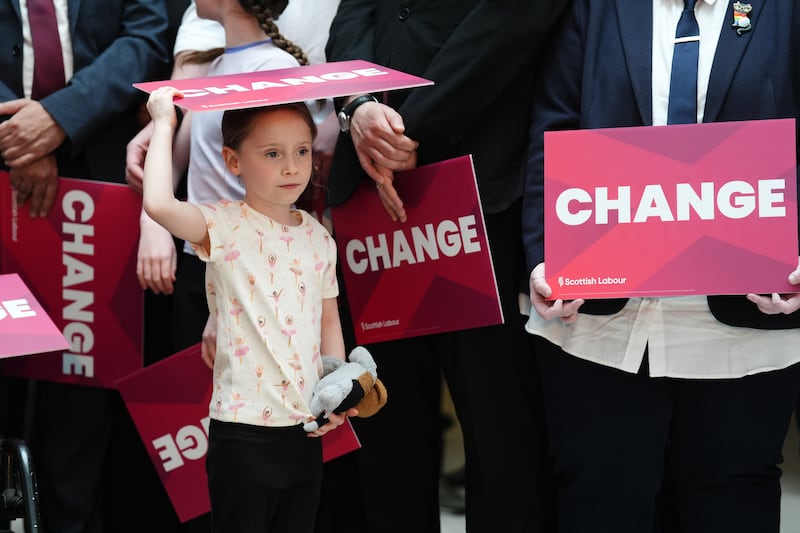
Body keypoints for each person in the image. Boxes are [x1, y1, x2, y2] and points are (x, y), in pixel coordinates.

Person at [522, 1, 800, 532]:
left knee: (732, 493)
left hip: (747, 312)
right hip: (605, 312)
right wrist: (544, 254)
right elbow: (551, 127)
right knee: (601, 494)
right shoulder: (594, 7)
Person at [323, 1, 571, 532]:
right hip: (371, 198)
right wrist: (358, 104)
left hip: (481, 190)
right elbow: (354, 13)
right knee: (382, 423)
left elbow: (513, 22)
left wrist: (403, 133)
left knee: (500, 430)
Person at [143, 84, 353, 533]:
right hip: (242, 433)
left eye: (302, 150)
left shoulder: (319, 237)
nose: (292, 166)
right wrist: (163, 123)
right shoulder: (220, 224)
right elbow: (159, 204)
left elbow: (329, 323)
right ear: (233, 161)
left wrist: (337, 391)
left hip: (304, 430)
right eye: (272, 154)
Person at [0, 1, 170, 532]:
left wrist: (60, 120)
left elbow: (146, 38)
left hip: (99, 190)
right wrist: (20, 138)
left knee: (80, 401)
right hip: (2, 175)